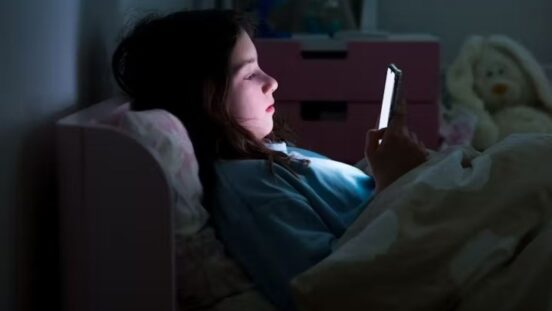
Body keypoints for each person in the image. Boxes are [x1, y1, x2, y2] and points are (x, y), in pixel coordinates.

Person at [112, 9, 428, 311]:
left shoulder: (265, 155)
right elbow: (330, 288)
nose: (271, 81)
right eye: (249, 73)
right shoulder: (249, 187)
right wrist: (394, 185)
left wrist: (380, 168)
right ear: (205, 98)